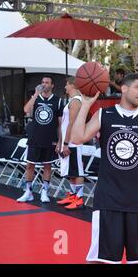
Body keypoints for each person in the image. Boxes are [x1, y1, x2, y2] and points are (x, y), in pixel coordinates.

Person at [71, 72, 138, 264]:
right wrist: (86, 105)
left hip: (137, 197)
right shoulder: (104, 114)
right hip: (109, 196)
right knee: (102, 258)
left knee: (136, 259)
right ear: (124, 89)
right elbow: (76, 138)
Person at [17, 75, 63, 203]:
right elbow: (26, 110)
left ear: (52, 85)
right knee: (30, 165)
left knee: (47, 166)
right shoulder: (36, 98)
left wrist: (60, 141)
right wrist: (36, 94)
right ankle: (28, 192)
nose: (44, 84)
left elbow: (60, 124)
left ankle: (44, 192)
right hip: (35, 137)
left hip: (50, 138)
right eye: (42, 82)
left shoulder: (58, 101)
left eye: (47, 82)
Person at [56, 77, 85, 210]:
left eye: (66, 85)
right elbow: (64, 124)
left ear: (72, 85)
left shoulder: (76, 101)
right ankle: (73, 195)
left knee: (77, 171)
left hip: (73, 142)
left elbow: (72, 124)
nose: (65, 87)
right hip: (67, 142)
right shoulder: (70, 101)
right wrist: (60, 143)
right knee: (70, 171)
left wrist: (66, 143)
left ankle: (79, 198)